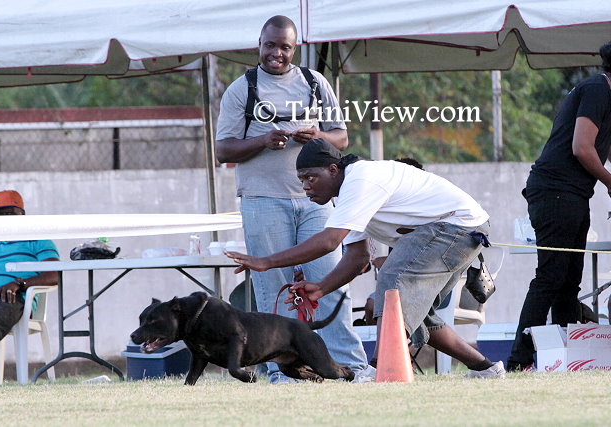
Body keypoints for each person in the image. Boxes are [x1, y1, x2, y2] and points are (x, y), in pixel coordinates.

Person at [226, 139, 506, 378]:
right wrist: (320, 289)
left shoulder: (361, 179)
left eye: (311, 178)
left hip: (458, 225)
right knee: (415, 313)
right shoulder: (347, 194)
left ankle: (378, 369)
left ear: (333, 169)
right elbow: (358, 258)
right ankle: (486, 369)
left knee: (393, 284)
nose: (306, 187)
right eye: (301, 181)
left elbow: (329, 241)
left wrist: (266, 262)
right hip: (461, 228)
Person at [215, 15, 373, 383]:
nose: (277, 53)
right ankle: (284, 372)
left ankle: (351, 368)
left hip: (316, 203)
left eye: (284, 47)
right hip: (263, 200)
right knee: (274, 289)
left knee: (331, 281)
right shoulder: (242, 88)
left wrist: (318, 136)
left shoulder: (315, 83)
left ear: (295, 49)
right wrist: (262, 140)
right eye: (270, 45)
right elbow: (223, 150)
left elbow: (341, 138)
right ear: (259, 44)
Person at [507, 41, 611, 372]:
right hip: (555, 191)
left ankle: (569, 358)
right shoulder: (597, 89)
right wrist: (609, 181)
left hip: (573, 194)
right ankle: (519, 359)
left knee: (568, 282)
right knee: (551, 277)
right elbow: (582, 147)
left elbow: (602, 146)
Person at [0, 190, 59, 385]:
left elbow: (54, 275)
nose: (1, 219)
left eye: (7, 213)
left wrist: (20, 284)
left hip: (12, 298)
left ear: (21, 214)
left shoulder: (37, 238)